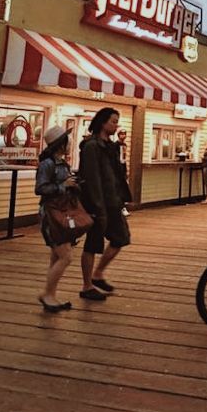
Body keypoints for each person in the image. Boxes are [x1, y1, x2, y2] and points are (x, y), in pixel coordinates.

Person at [78, 107, 131, 301]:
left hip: (113, 201)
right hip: (97, 203)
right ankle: (86, 286)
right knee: (92, 244)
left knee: (121, 238)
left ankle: (98, 273)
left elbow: (115, 174)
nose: (116, 125)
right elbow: (92, 178)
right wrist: (96, 206)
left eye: (117, 122)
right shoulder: (91, 146)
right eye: (113, 121)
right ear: (103, 122)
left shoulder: (111, 146)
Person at [35, 125, 80, 312]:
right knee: (66, 256)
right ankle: (47, 294)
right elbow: (40, 188)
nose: (70, 143)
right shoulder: (48, 164)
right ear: (60, 143)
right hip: (51, 215)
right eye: (67, 140)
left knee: (56, 255)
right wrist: (63, 185)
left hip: (62, 212)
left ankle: (50, 294)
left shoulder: (62, 163)